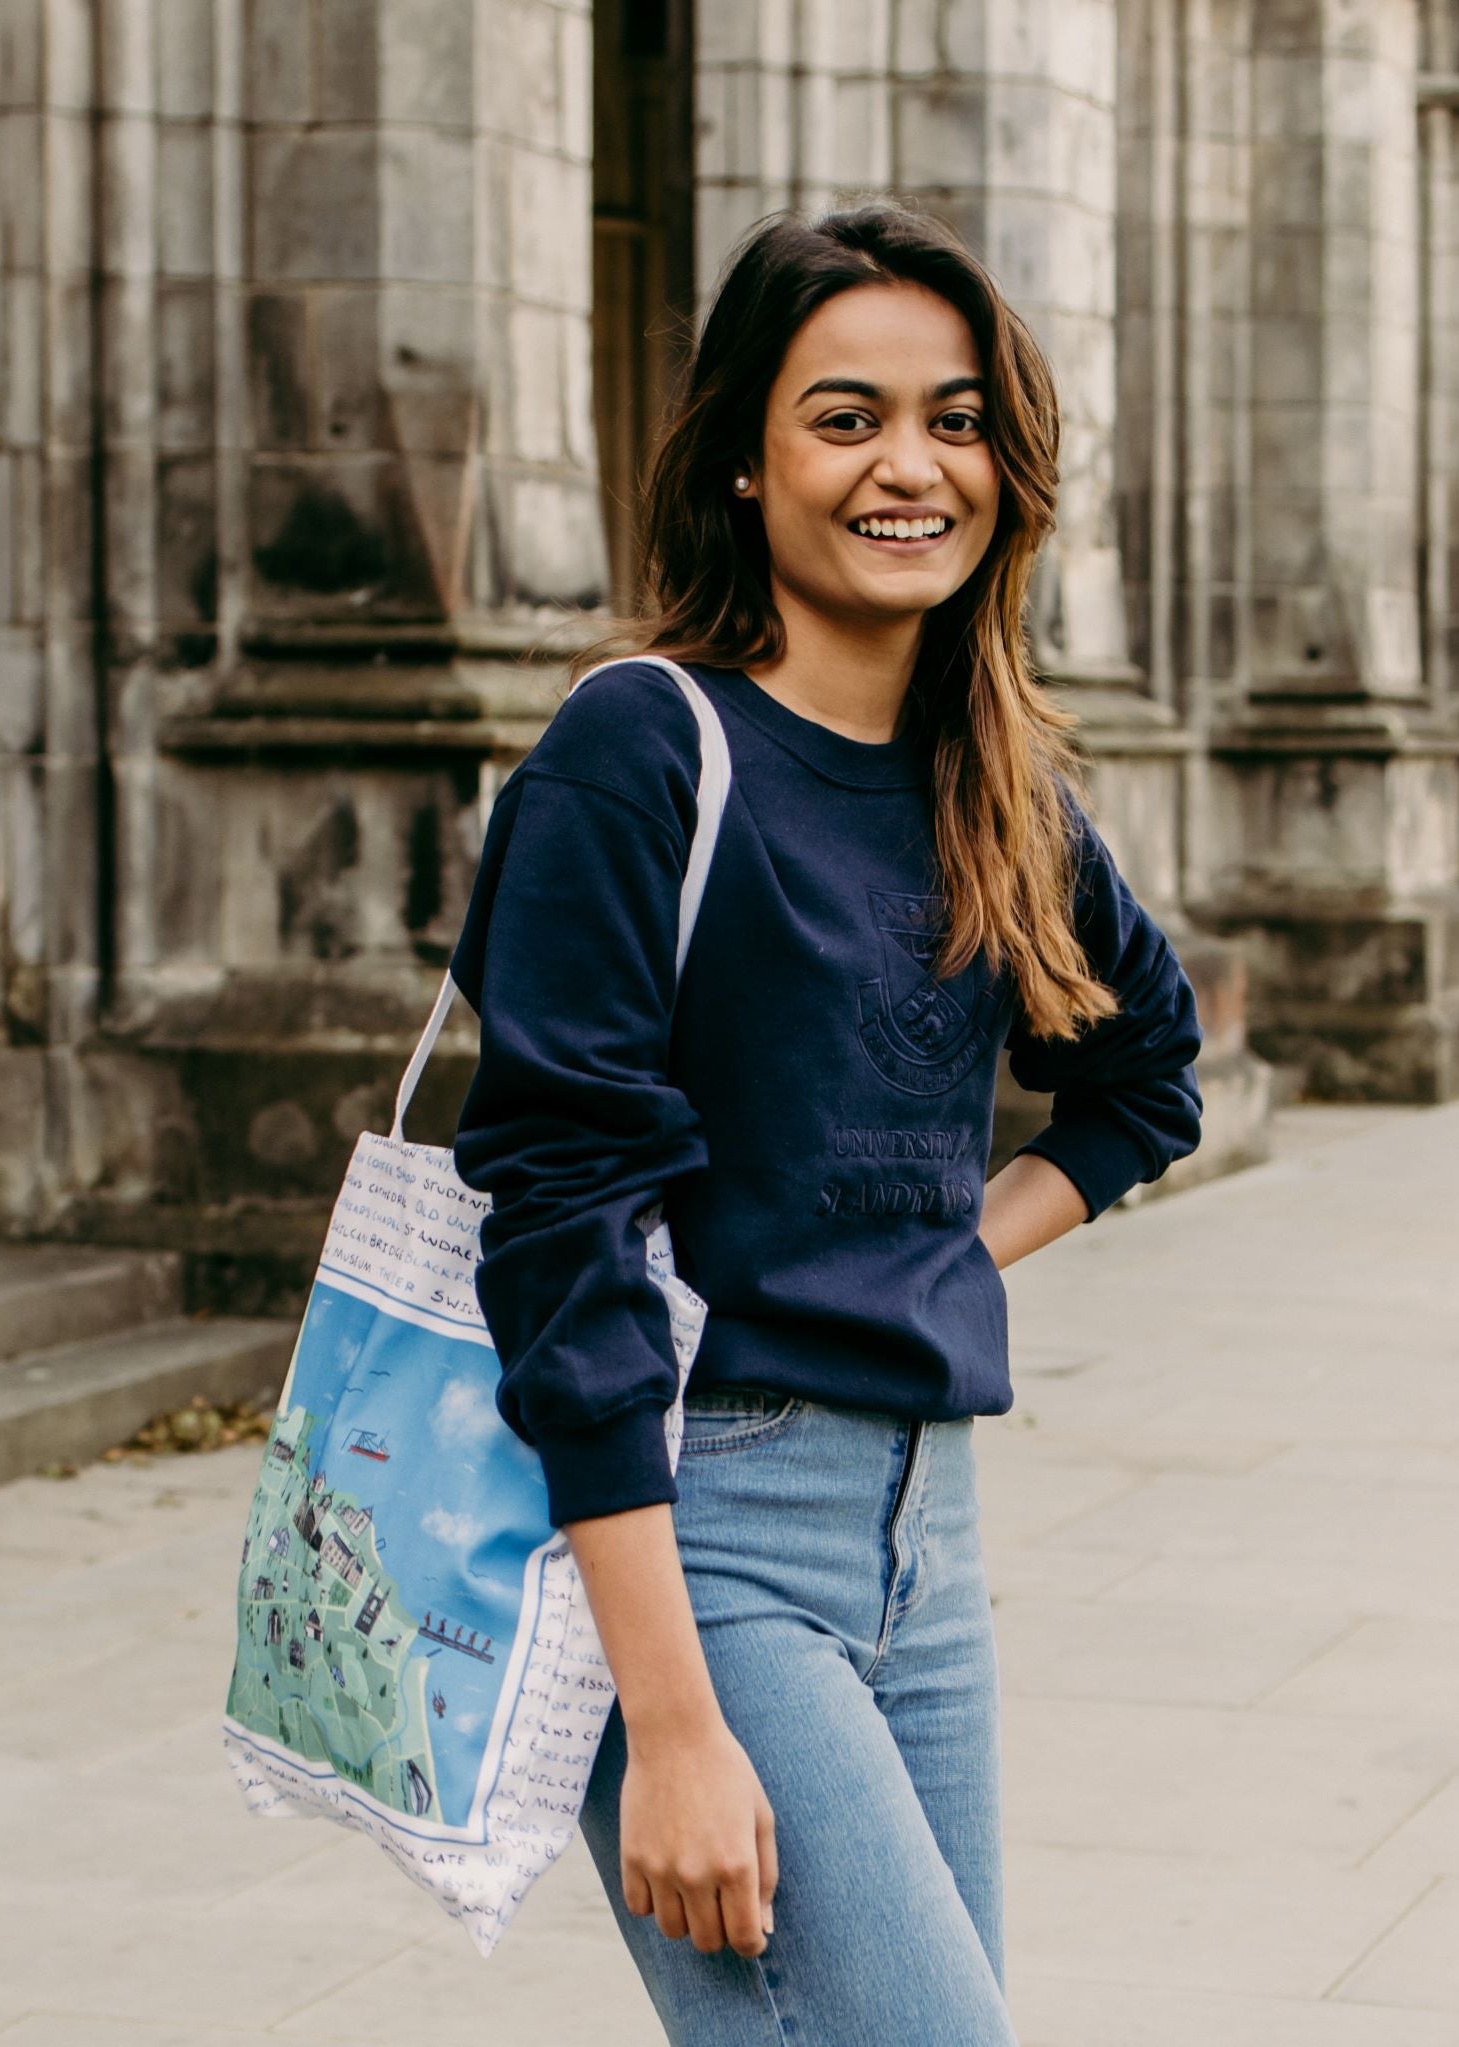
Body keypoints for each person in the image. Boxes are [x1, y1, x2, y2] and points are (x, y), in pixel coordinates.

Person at [447, 205, 1204, 2045]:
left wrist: (946, 1250)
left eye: (953, 419)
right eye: (844, 416)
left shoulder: (996, 780)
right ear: (743, 458)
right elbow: (556, 1231)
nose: (908, 466)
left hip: (923, 1540)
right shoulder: (639, 749)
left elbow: (1146, 1081)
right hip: (699, 1529)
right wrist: (674, 1722)